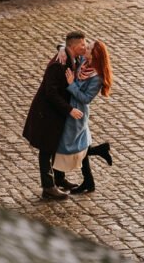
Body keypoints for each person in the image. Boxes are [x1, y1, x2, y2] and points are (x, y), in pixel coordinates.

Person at [22, 31, 87, 200]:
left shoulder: (73, 57)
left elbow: (64, 45)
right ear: (73, 46)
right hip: (47, 114)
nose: (85, 46)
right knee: (47, 149)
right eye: (82, 44)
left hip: (56, 114)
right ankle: (48, 187)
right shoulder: (57, 65)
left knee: (57, 145)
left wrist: (61, 47)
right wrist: (69, 109)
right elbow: (50, 93)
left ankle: (59, 179)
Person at [53, 38, 114, 195]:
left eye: (88, 48)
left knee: (70, 145)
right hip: (69, 109)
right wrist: (61, 49)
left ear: (94, 56)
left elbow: (86, 98)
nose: (85, 48)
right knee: (77, 145)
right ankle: (88, 180)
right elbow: (66, 47)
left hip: (77, 114)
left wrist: (72, 84)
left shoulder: (97, 78)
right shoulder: (83, 62)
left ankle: (60, 180)